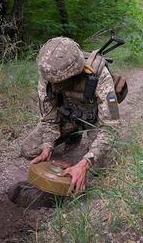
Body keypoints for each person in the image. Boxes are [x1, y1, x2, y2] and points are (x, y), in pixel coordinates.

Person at [20, 37, 119, 193]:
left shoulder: (101, 76)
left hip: (94, 122)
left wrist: (86, 162)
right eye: (51, 81)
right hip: (67, 117)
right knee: (29, 149)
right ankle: (73, 135)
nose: (53, 86)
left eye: (59, 82)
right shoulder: (48, 75)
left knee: (100, 169)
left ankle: (79, 143)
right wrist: (47, 145)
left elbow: (112, 128)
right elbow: (49, 118)